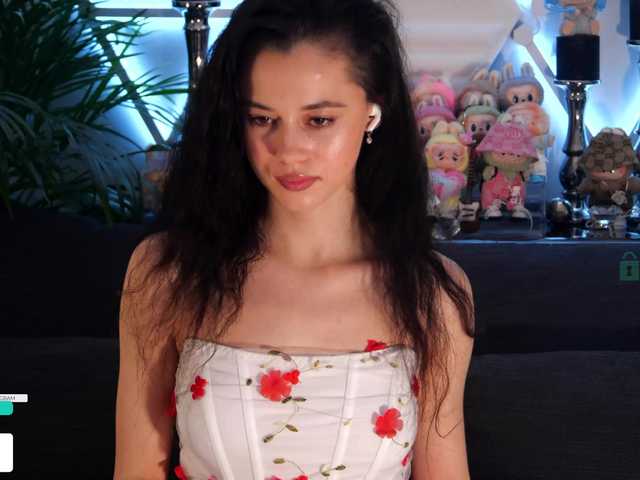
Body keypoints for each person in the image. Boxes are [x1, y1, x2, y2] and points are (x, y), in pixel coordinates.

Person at [113, 0, 475, 479]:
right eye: (262, 119)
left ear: (373, 112)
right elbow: (136, 470)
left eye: (319, 120)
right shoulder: (168, 273)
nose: (288, 151)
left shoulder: (433, 294)